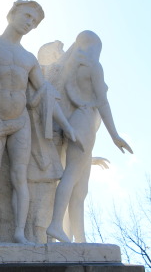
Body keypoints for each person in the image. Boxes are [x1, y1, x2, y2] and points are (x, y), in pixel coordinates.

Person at [0, 0, 79, 244]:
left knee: (19, 177)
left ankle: (19, 233)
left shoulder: (28, 58)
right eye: (27, 15)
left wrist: (67, 126)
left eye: (34, 21)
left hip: (19, 121)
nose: (29, 22)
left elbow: (46, 95)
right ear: (11, 13)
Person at [45, 30, 133, 243]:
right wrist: (115, 135)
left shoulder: (71, 68)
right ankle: (56, 225)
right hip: (84, 120)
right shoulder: (93, 66)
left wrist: (91, 157)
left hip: (78, 122)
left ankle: (79, 239)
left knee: (80, 188)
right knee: (72, 176)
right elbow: (102, 102)